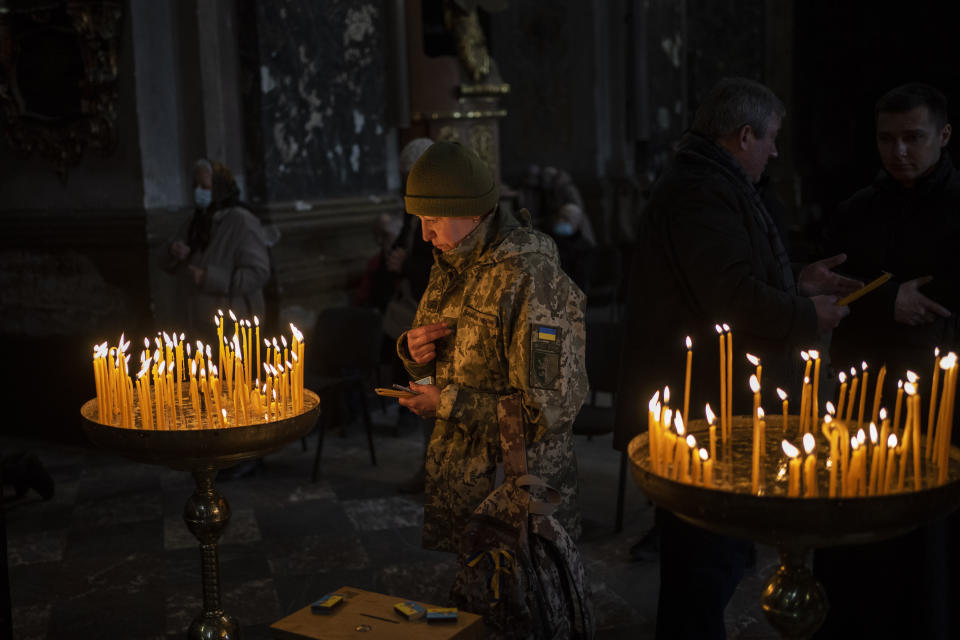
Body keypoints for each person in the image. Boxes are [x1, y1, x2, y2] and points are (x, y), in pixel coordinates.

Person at [613, 77, 860, 639]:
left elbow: (728, 278)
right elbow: (728, 298)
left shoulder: (709, 181)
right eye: (770, 138)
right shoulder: (701, 190)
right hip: (700, 398)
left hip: (713, 390)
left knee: (714, 558)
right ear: (744, 134)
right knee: (705, 564)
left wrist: (796, 282)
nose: (775, 151)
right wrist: (808, 315)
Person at [815, 82, 960, 639]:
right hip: (865, 387)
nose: (899, 151)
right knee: (860, 533)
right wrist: (886, 298)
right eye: (887, 139)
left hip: (940, 397)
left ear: (943, 136)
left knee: (928, 542)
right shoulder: (855, 210)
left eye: (913, 138)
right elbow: (830, 289)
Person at [392, 141, 588, 554]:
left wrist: (444, 402)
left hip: (521, 493)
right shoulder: (449, 264)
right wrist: (414, 357)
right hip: (465, 485)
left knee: (525, 607)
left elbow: (544, 412)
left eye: (432, 220)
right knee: (472, 606)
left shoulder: (531, 278)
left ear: (472, 210)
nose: (425, 234)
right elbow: (435, 367)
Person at [162, 159, 273, 338]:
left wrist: (208, 277)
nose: (199, 192)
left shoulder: (241, 221)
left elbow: (258, 273)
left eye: (205, 188)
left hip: (232, 326)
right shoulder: (196, 221)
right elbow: (166, 262)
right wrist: (173, 251)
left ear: (220, 188)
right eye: (196, 186)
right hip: (197, 326)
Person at [547, 202, 596, 296]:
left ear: (577, 223)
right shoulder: (548, 239)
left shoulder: (584, 247)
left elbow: (580, 277)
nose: (560, 221)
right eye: (559, 217)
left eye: (566, 218)